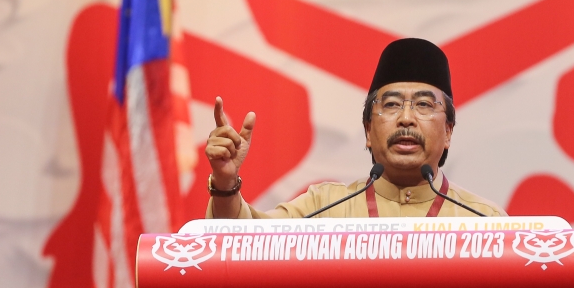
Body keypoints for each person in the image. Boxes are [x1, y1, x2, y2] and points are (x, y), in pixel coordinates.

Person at [205, 38, 505, 218]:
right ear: (367, 133)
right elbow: (245, 245)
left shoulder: (484, 221)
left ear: (449, 131)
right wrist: (225, 182)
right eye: (390, 105)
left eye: (424, 105)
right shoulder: (324, 208)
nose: (406, 118)